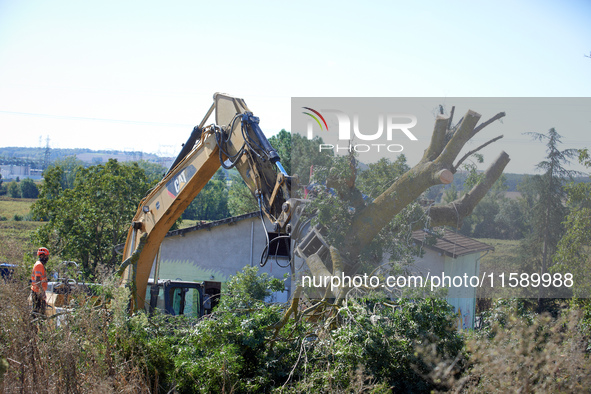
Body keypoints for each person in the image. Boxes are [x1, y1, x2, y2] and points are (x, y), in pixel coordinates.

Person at [31, 247, 49, 316]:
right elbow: (37, 280)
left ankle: (39, 326)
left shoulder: (40, 265)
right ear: (41, 256)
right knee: (37, 312)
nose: (47, 258)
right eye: (46, 256)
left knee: (40, 312)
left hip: (38, 291)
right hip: (37, 292)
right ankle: (33, 326)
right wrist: (42, 292)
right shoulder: (39, 265)